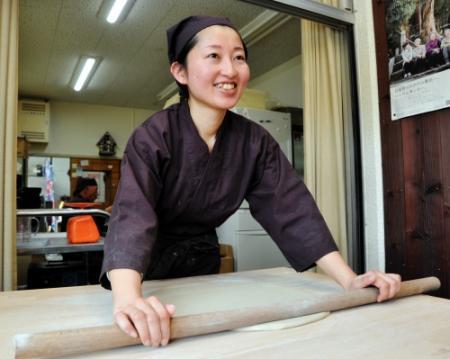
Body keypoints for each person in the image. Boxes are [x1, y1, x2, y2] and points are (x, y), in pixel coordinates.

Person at [100, 15, 401, 348]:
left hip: (202, 261)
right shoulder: (153, 136)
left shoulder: (255, 142)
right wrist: (128, 299)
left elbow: (294, 210)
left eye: (239, 57)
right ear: (180, 72)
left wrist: (349, 279)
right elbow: (132, 215)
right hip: (143, 270)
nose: (230, 70)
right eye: (214, 56)